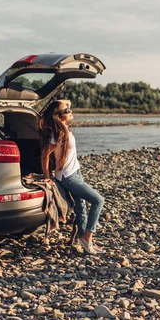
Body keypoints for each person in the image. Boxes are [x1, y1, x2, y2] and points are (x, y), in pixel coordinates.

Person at [38, 99, 105, 254]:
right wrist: (47, 176)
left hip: (76, 171)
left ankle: (85, 243)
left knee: (81, 208)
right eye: (67, 111)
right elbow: (44, 156)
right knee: (98, 200)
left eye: (69, 109)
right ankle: (88, 236)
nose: (70, 111)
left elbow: (65, 101)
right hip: (67, 176)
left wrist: (62, 105)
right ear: (59, 116)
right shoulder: (58, 134)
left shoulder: (64, 129)